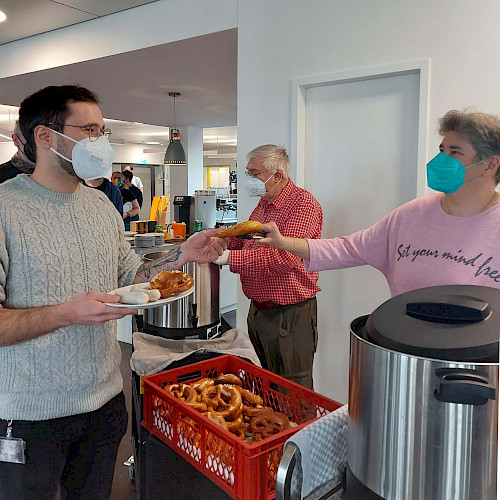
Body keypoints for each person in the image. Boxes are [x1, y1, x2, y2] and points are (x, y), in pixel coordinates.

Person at [0, 84, 226, 500]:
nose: (100, 142)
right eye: (89, 130)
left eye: (102, 131)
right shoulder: (5, 208)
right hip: (29, 417)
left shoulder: (102, 205)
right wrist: (66, 312)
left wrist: (180, 257)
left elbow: (134, 275)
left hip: (104, 404)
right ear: (45, 136)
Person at [258, 110, 500, 295]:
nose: (441, 160)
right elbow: (348, 248)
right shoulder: (411, 215)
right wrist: (284, 242)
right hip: (408, 350)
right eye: (442, 150)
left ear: (491, 164)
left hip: (480, 359)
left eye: (455, 152)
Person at [214, 144, 323, 389]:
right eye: (248, 173)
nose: (249, 180)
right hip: (259, 312)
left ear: (277, 175)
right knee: (261, 385)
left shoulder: (303, 205)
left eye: (255, 174)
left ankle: (299, 430)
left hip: (289, 317)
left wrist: (229, 258)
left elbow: (284, 259)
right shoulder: (263, 204)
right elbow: (250, 239)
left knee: (292, 391)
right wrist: (222, 238)